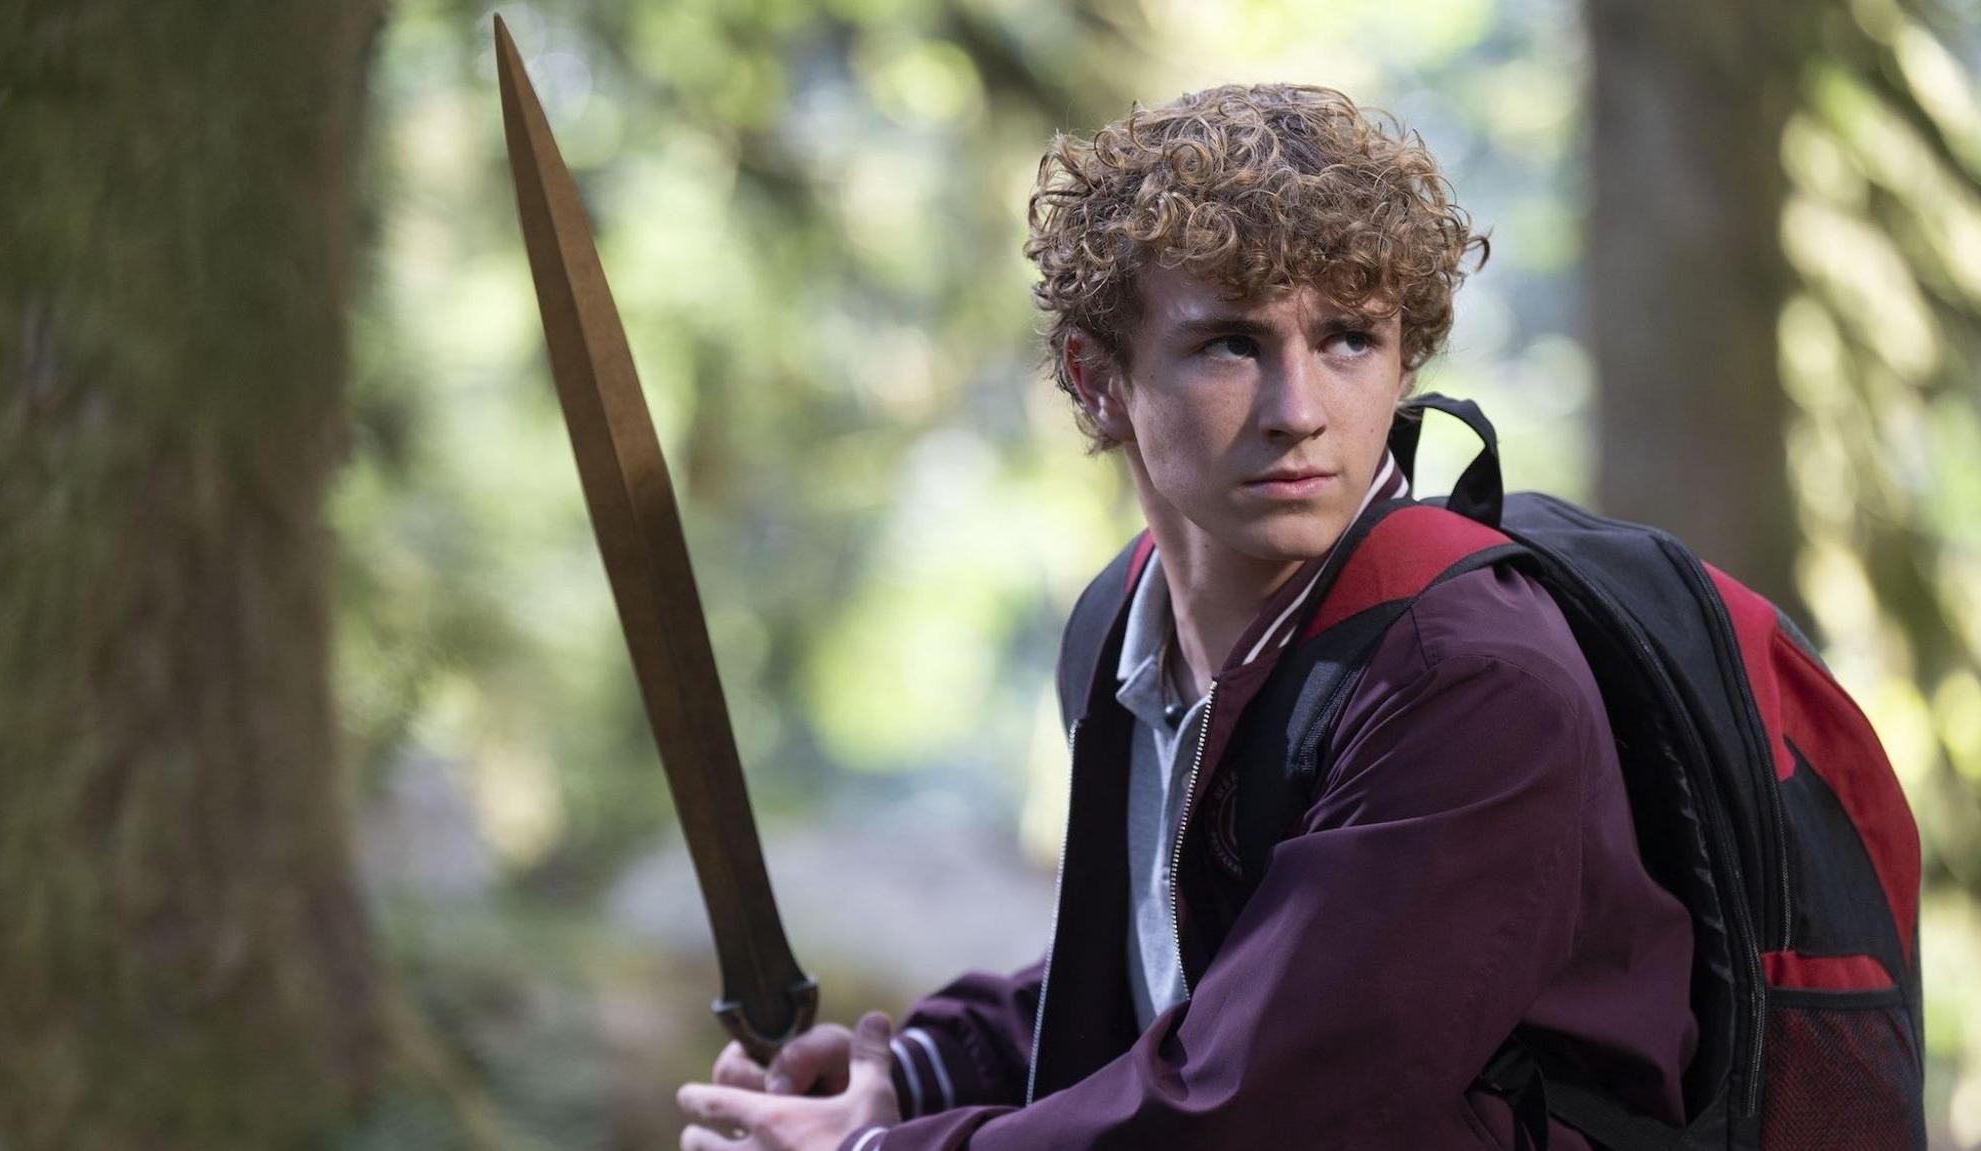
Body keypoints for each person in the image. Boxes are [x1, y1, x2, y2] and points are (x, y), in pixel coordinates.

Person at [674, 82, 1698, 1150]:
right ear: (1095, 377)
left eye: (1349, 339)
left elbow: (1266, 1106)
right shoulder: (1122, 627)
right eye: (1230, 344)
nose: (1298, 409)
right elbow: (1179, 965)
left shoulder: (1468, 677)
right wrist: (916, 1072)